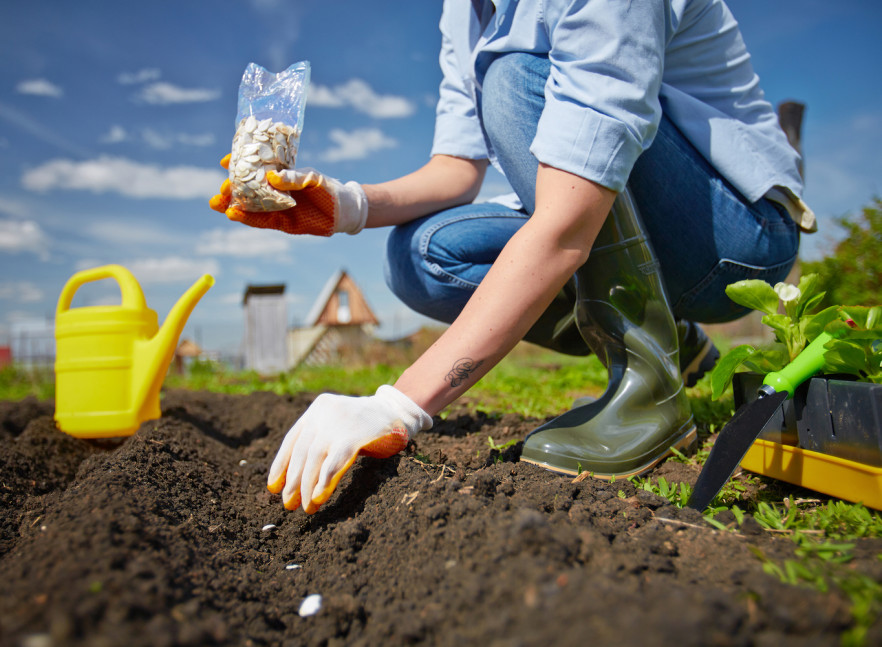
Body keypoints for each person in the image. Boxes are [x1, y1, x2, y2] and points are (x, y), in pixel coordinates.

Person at [210, 0, 816, 515]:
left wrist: (399, 404)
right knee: (423, 256)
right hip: (611, 206)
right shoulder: (467, 9)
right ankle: (676, 340)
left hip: (737, 238)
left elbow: (566, 224)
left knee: (515, 75)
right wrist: (343, 207)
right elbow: (455, 170)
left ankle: (649, 381)